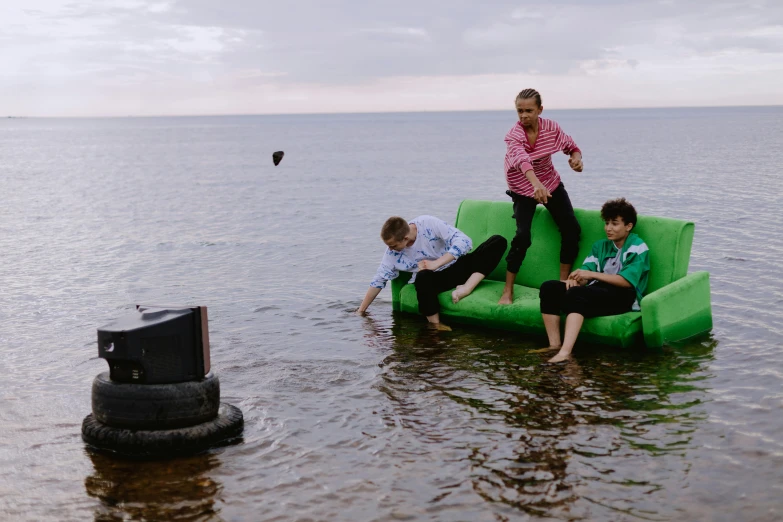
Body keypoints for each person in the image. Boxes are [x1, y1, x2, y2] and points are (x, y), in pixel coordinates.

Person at [537, 198, 650, 362]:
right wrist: (576, 279)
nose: (608, 228)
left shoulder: (638, 247)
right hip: (598, 291)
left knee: (576, 295)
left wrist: (592, 276)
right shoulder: (600, 246)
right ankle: (554, 346)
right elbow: (587, 271)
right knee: (549, 288)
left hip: (625, 296)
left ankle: (565, 352)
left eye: (615, 223)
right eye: (607, 223)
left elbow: (626, 281)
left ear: (628, 226)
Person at [500, 88, 584, 305]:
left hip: (550, 182)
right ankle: (507, 290)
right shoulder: (514, 135)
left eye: (529, 110)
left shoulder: (551, 128)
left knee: (572, 230)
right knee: (523, 237)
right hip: (522, 187)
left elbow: (572, 147)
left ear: (540, 110)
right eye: (519, 111)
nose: (524, 115)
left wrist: (576, 160)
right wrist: (535, 185)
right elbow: (522, 161)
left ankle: (562, 284)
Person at [357, 215, 507, 329]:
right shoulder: (392, 253)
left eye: (393, 245)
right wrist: (361, 311)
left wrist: (436, 263)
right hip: (437, 279)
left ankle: (467, 288)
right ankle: (436, 326)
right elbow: (379, 280)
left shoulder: (427, 223)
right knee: (422, 277)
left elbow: (464, 241)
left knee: (497, 241)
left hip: (457, 266)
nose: (390, 249)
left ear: (405, 238)